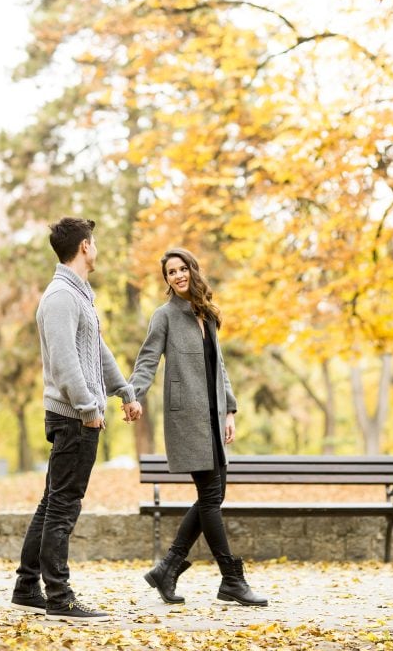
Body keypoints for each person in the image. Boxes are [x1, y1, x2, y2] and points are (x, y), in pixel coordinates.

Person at [11, 217, 142, 623]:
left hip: (77, 415)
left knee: (52, 502)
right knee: (64, 507)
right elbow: (67, 363)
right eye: (95, 243)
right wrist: (89, 408)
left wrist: (125, 391)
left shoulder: (78, 296)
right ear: (85, 246)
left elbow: (97, 352)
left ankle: (26, 586)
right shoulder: (61, 297)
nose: (97, 249)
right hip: (73, 417)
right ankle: (60, 596)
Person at [126, 247, 267, 607]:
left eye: (182, 268)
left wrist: (230, 410)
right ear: (167, 281)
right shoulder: (164, 317)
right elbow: (146, 361)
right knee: (210, 496)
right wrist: (133, 395)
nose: (177, 276)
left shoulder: (206, 313)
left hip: (214, 417)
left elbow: (218, 367)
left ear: (192, 269)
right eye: (170, 272)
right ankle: (232, 579)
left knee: (213, 497)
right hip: (187, 419)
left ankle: (167, 568)